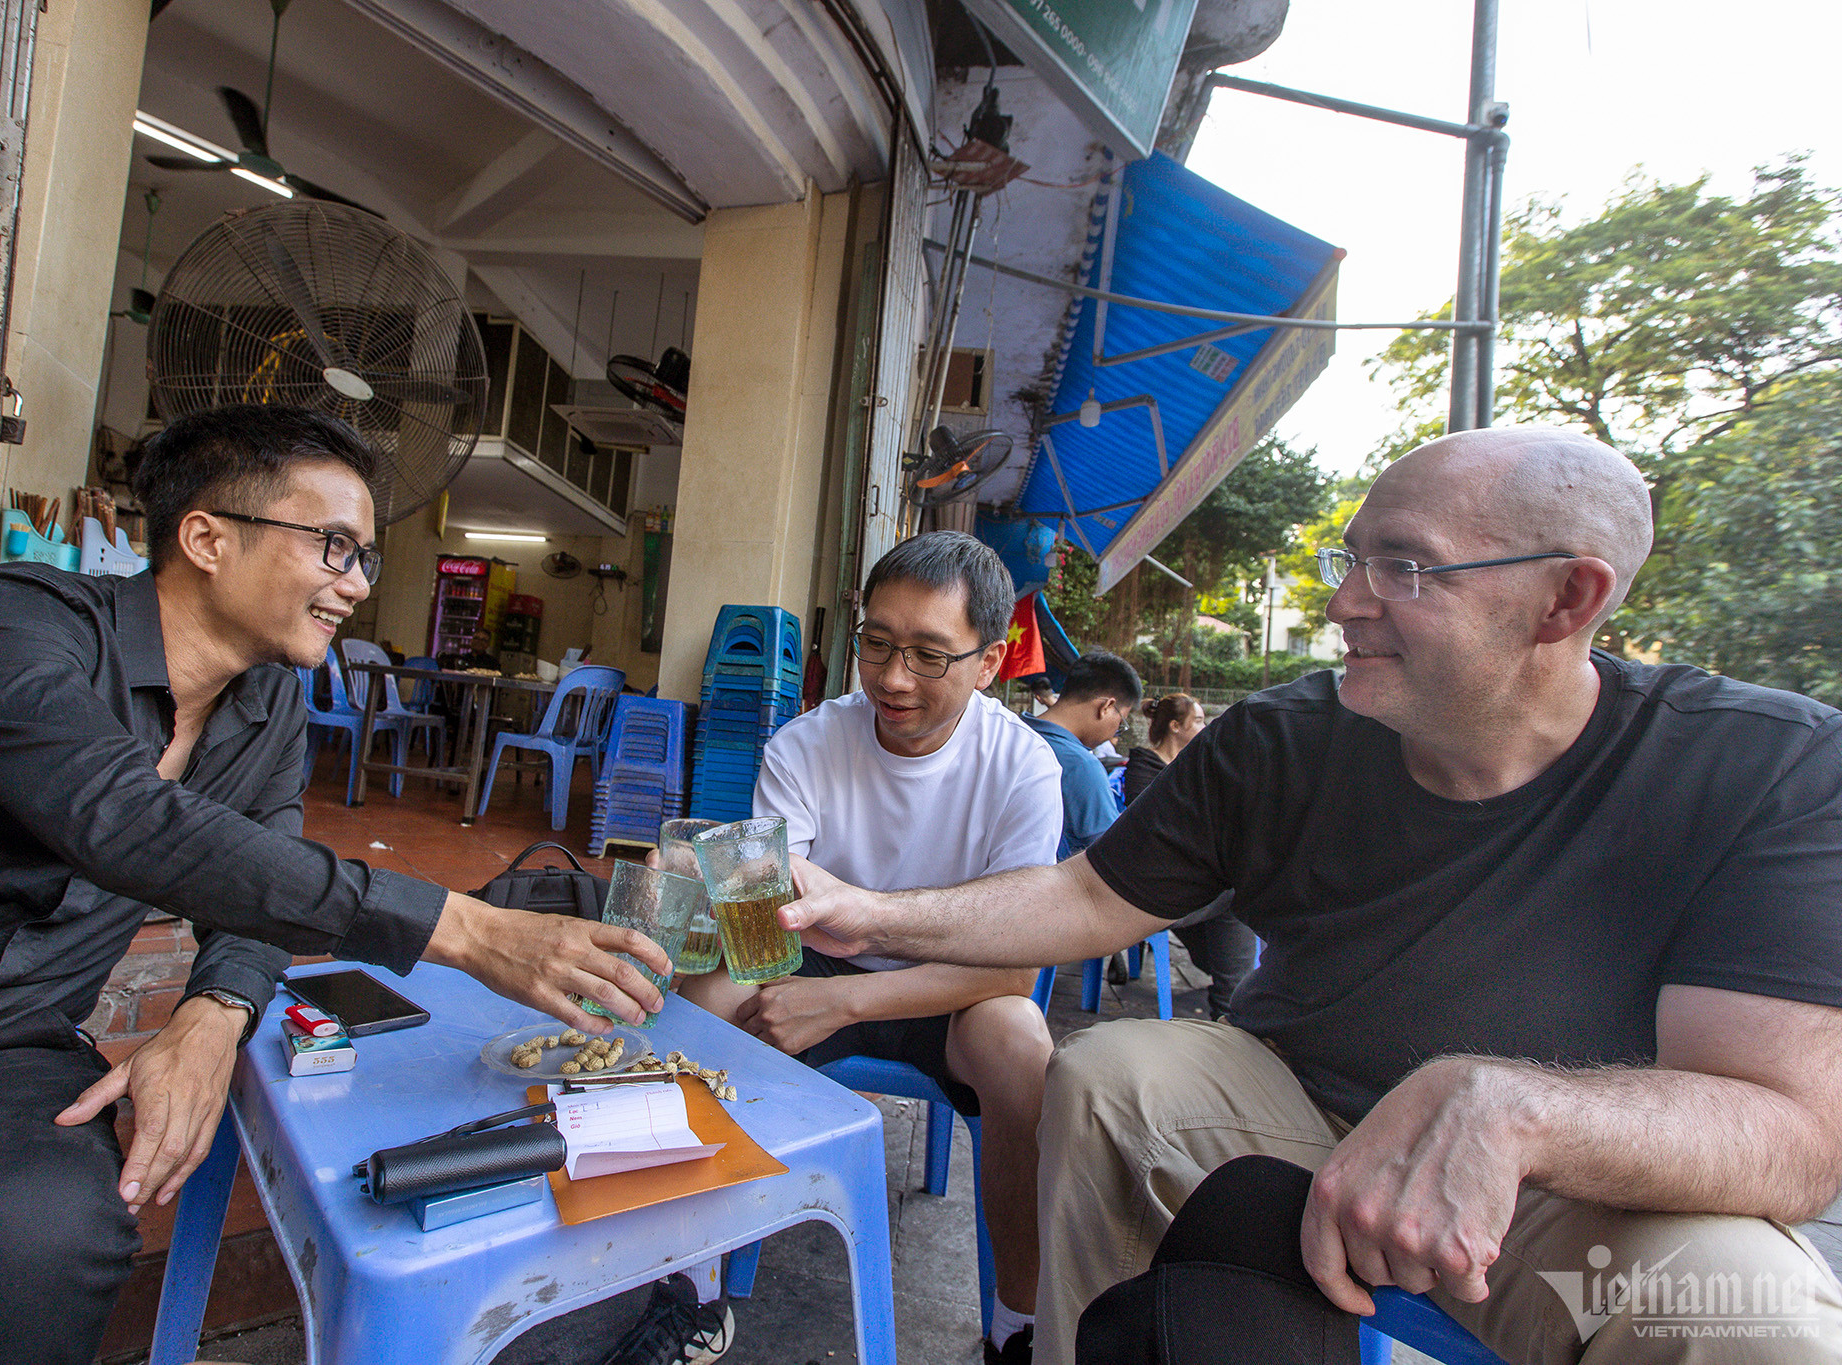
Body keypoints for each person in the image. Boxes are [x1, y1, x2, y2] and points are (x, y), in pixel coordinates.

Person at [780, 427, 1842, 1364]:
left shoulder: (1760, 770)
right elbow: (1087, 900)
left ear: (1566, 598)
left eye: (1404, 569)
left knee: (1756, 1322)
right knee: (1106, 1072)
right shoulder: (1285, 739)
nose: (1342, 603)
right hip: (1281, 1125)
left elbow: (1792, 1141)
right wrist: (867, 912)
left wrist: (1516, 1110)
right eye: (1351, 559)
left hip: (1572, 1199)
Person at [0, 405, 668, 1365]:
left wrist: (213, 1011)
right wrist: (462, 928)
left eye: (365, 559)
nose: (353, 585)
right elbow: (123, 819)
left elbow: (258, 886)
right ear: (206, 537)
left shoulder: (264, 715)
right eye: (334, 545)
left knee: (46, 1242)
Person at [604, 532, 1062, 1365]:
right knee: (705, 1004)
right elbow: (764, 907)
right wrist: (699, 899)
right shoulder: (809, 742)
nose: (892, 677)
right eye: (877, 644)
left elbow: (1013, 963)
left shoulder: (1023, 768)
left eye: (929, 655)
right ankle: (693, 1289)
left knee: (1022, 1045)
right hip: (811, 963)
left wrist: (848, 998)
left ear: (990, 660)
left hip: (950, 993)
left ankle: (1016, 1324)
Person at [1121, 693, 1256, 1020]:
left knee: (1232, 890)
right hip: (1153, 885)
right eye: (1197, 721)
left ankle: (1233, 997)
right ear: (1175, 726)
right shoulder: (1146, 768)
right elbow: (1158, 831)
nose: (1204, 727)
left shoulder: (1191, 765)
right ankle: (1232, 1008)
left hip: (1183, 876)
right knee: (1238, 895)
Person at [1022, 651, 1141, 860]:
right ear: (1106, 707)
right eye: (1121, 723)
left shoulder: (1008, 731)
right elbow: (1112, 857)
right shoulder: (1081, 766)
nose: (1116, 731)